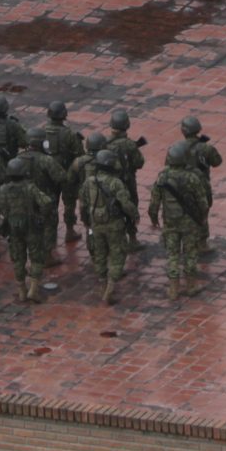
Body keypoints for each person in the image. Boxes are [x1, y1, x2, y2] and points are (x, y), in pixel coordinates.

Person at [149, 140, 211, 299]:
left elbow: (154, 202)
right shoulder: (192, 178)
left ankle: (173, 289)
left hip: (170, 223)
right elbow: (203, 202)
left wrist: (154, 217)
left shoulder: (162, 177)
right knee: (190, 253)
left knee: (172, 254)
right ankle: (190, 286)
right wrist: (202, 218)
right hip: (190, 223)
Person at [0, 154, 55, 304]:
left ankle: (22, 291)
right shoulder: (30, 188)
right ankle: (33, 290)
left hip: (13, 227)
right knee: (36, 258)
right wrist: (41, 215)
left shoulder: (4, 189)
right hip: (32, 227)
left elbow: (1, 207)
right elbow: (47, 202)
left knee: (18, 258)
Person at [79, 149, 132, 304]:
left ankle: (102, 282)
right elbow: (126, 204)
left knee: (100, 254)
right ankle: (110, 288)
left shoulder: (89, 181)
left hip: (96, 224)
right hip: (114, 225)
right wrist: (134, 215)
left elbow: (83, 201)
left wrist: (86, 220)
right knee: (118, 254)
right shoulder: (116, 183)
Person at [40, 102, 89, 238]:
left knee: (50, 203)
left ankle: (50, 232)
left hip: (48, 175)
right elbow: (80, 154)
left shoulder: (42, 132)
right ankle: (69, 230)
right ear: (64, 115)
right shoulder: (69, 134)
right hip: (67, 174)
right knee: (69, 202)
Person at [20, 134, 70, 264]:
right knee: (49, 225)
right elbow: (61, 177)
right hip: (45, 199)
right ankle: (47, 256)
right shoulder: (46, 160)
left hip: (24, 200)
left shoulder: (18, 159)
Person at [97, 109, 145, 244]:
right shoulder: (129, 144)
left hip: (109, 182)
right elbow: (139, 163)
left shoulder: (104, 143)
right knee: (131, 205)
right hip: (128, 181)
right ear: (127, 125)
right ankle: (133, 238)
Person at [179, 115, 223, 258]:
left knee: (185, 212)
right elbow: (217, 162)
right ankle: (202, 242)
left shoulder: (176, 148)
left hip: (183, 186)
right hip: (202, 185)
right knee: (203, 212)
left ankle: (186, 241)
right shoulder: (206, 148)